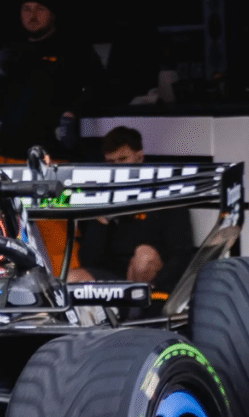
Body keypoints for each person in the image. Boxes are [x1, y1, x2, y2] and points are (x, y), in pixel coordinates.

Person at [0, 0, 104, 162]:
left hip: (55, 151)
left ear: (53, 14)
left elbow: (99, 87)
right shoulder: (11, 51)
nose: (32, 15)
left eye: (40, 9)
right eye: (26, 9)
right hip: (11, 150)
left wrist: (74, 111)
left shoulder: (75, 49)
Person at [75, 126, 194, 293]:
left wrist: (158, 287)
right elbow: (89, 261)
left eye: (123, 159)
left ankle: (137, 311)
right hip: (115, 277)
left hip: (153, 281)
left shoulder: (165, 192)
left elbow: (181, 254)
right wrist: (100, 223)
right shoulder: (101, 195)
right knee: (72, 278)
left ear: (139, 157)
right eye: (111, 162)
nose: (117, 168)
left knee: (143, 257)